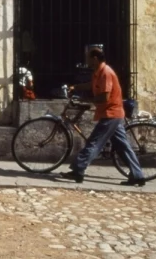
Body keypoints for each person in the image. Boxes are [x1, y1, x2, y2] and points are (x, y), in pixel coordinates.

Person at [59, 46, 146, 186]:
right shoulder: (98, 72)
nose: (86, 61)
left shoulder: (106, 73)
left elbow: (104, 97)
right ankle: (138, 175)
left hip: (111, 114)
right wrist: (76, 87)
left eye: (88, 58)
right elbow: (91, 85)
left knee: (94, 142)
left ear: (94, 59)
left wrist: (86, 100)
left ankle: (78, 170)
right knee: (123, 147)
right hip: (112, 114)